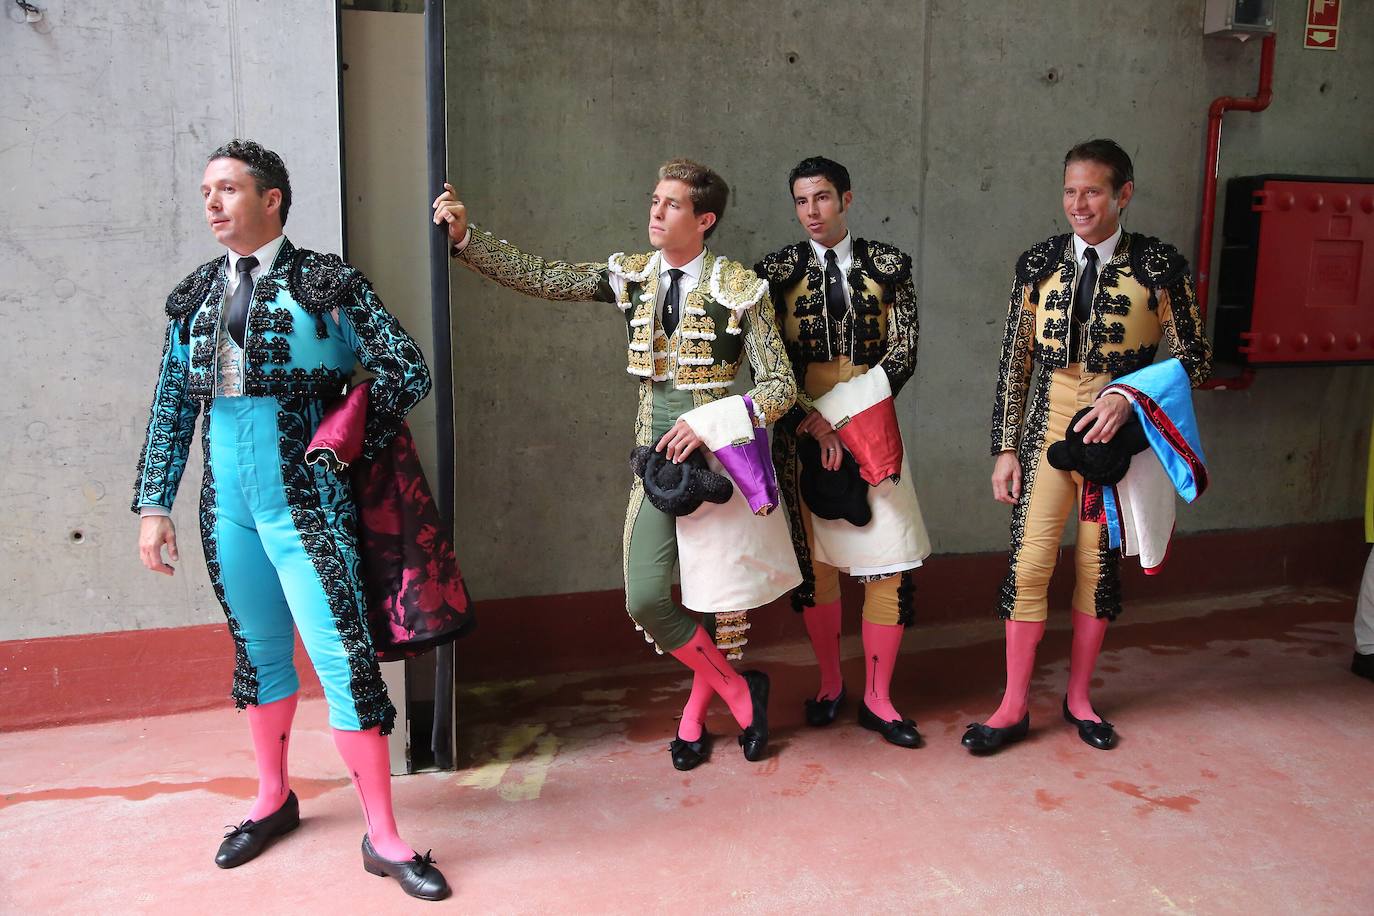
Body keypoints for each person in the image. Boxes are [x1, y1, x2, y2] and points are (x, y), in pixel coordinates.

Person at [134, 140, 448, 900]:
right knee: (259, 654)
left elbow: (407, 369)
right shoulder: (194, 296)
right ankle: (273, 798)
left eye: (228, 190)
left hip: (309, 508)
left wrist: (346, 437)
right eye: (205, 192)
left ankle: (384, 836)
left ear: (271, 199)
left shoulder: (329, 283)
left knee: (344, 662)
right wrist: (153, 505)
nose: (212, 204)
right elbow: (172, 405)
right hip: (227, 512)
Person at [433, 159, 799, 770]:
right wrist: (467, 239)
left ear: (705, 220)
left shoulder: (739, 286)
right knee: (647, 598)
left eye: (672, 204)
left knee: (720, 599)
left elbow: (781, 386)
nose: (656, 212)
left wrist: (710, 422)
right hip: (656, 460)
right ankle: (742, 691)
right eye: (655, 200)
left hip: (722, 458)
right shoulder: (633, 275)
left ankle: (694, 715)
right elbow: (548, 277)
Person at [966, 138, 1212, 754]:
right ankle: (1013, 706)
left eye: (1093, 192)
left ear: (1123, 194)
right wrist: (1004, 448)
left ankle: (1079, 699)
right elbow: (1014, 362)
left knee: (1096, 570)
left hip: (1112, 437)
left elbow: (1197, 358)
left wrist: (1130, 394)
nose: (1079, 204)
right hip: (1046, 430)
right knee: (1029, 564)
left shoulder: (1158, 266)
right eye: (1070, 192)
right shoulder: (1038, 263)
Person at [754, 156, 931, 748]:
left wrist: (840, 415)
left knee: (889, 561)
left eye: (823, 198)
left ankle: (879, 698)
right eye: (802, 201)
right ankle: (831, 684)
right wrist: (811, 421)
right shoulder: (774, 273)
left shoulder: (889, 265)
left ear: (847, 199)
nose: (812, 212)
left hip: (871, 425)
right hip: (801, 431)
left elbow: (904, 352)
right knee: (817, 566)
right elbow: (769, 364)